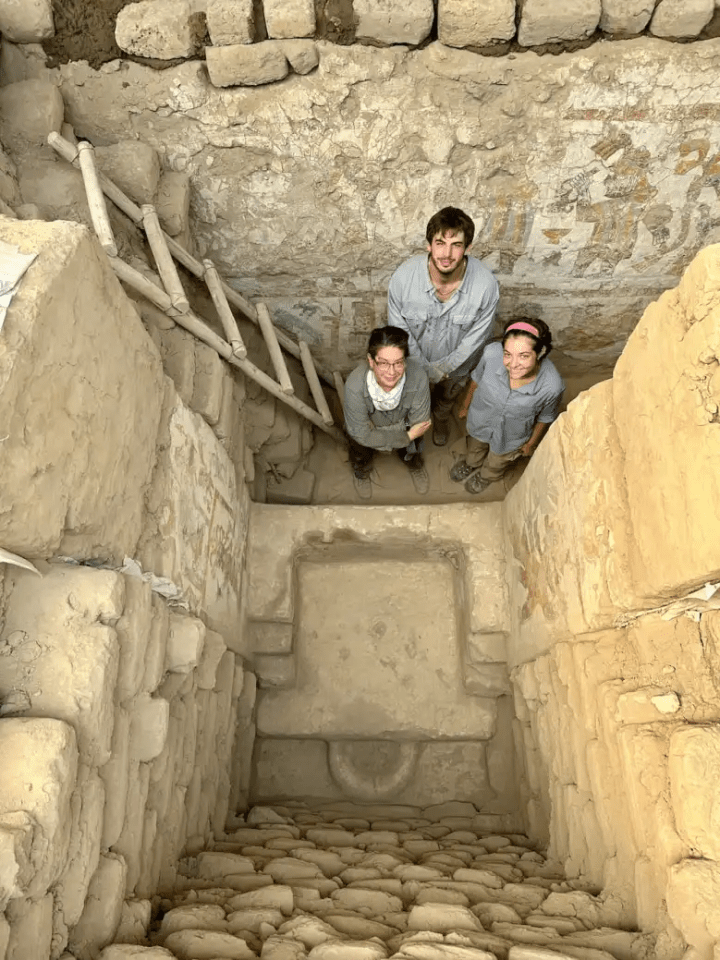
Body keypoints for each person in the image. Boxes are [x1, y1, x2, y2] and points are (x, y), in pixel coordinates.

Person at [387, 206, 500, 447]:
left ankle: (440, 420)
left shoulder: (486, 286)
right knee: (412, 398)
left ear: (468, 248)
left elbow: (477, 338)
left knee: (447, 399)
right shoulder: (403, 279)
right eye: (440, 242)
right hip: (414, 364)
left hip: (457, 369)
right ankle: (414, 429)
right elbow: (399, 329)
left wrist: (444, 369)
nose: (446, 254)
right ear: (429, 245)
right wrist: (423, 368)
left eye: (456, 245)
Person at [451, 318, 564, 495]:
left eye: (524, 356)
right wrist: (465, 406)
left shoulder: (551, 386)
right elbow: (476, 380)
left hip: (511, 435)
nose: (513, 364)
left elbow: (545, 417)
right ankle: (471, 463)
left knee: (498, 460)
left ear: (540, 352)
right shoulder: (490, 354)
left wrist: (530, 444)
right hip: (482, 419)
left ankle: (487, 475)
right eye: (507, 354)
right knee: (475, 446)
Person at [344, 326, 432, 499]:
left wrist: (407, 436)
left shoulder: (418, 376)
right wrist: (405, 437)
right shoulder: (355, 386)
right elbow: (361, 433)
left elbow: (420, 422)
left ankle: (413, 464)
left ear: (405, 361)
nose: (391, 373)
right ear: (371, 361)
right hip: (375, 427)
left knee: (415, 446)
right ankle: (362, 470)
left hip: (400, 423)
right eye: (383, 363)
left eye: (398, 363)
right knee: (358, 447)